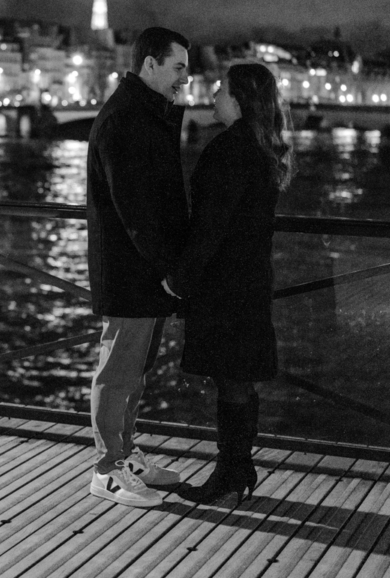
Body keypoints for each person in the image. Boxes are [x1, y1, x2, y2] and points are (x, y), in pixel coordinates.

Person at [172, 63, 293, 505]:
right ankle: (238, 467)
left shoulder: (227, 149)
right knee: (239, 379)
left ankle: (230, 471)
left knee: (229, 378)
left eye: (221, 89)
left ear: (238, 99)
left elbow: (209, 227)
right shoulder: (262, 149)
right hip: (252, 280)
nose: (215, 95)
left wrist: (179, 278)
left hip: (224, 285)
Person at [85, 26, 191, 508]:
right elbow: (135, 208)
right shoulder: (126, 121)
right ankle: (107, 468)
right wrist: (169, 265)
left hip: (144, 268)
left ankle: (125, 454)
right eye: (178, 68)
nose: (184, 80)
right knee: (119, 368)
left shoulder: (141, 115)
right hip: (132, 269)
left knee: (135, 370)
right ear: (149, 65)